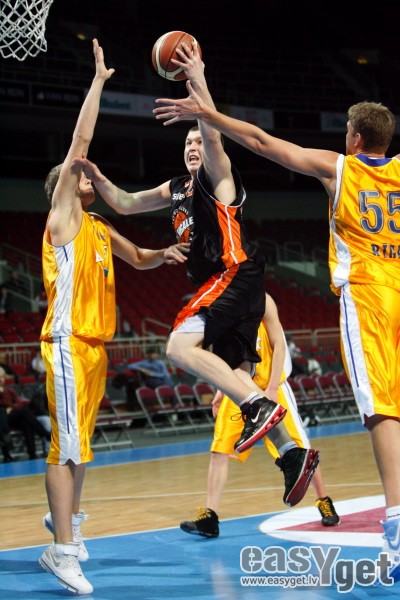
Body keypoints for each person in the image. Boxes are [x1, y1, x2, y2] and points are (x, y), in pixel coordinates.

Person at [153, 73, 400, 583]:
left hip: (371, 295)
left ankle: (396, 530)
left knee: (382, 411)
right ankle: (287, 451)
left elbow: (264, 143)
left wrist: (208, 112)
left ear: (355, 138)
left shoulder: (342, 167)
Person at [73, 44, 300, 467]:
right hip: (228, 286)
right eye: (188, 142)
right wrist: (100, 179)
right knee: (235, 376)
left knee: (178, 347)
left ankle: (262, 408)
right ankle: (292, 453)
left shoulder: (218, 176)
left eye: (198, 140)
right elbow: (125, 204)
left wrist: (197, 79)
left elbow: (212, 135)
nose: (194, 146)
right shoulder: (176, 187)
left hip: (234, 273)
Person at [38, 39, 189, 596]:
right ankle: (60, 551)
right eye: (77, 176)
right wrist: (99, 82)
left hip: (95, 350)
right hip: (67, 341)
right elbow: (79, 144)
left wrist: (166, 254)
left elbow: (140, 258)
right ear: (63, 190)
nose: (86, 176)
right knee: (66, 447)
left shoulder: (99, 229)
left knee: (80, 445)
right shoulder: (64, 218)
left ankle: (66, 522)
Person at [180, 294, 338, 538]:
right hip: (238, 388)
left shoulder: (260, 298)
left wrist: (273, 386)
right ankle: (209, 517)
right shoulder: (220, 303)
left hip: (270, 386)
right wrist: (221, 390)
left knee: (300, 449)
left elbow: (279, 345)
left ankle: (323, 500)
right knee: (220, 450)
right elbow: (224, 357)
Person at [0, 366, 51, 460]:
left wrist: (11, 407)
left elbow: (19, 402)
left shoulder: (9, 390)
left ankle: (32, 454)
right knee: (24, 412)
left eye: (2, 377)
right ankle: (45, 434)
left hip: (12, 416)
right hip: (2, 419)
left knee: (26, 421)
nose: (1, 379)